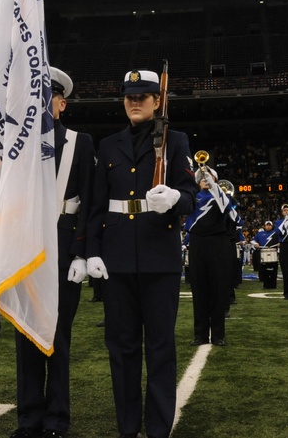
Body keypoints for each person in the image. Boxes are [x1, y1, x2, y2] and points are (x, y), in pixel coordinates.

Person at [86, 69, 196, 438]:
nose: (135, 102)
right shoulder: (108, 145)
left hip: (159, 257)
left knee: (161, 348)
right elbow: (97, 205)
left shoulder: (176, 141)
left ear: (157, 101)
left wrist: (177, 198)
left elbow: (192, 197)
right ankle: (128, 427)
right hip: (116, 258)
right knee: (122, 348)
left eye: (143, 96)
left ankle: (158, 428)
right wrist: (91, 252)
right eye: (129, 96)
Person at [10, 68, 95, 438]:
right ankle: (28, 418)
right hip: (24, 250)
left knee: (58, 338)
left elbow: (90, 203)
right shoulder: (16, 143)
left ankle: (56, 419)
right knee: (26, 336)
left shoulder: (80, 142)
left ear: (61, 103)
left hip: (62, 251)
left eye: (50, 98)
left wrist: (81, 253)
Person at [183, 163, 237, 347]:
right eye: (201, 177)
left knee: (219, 288)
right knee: (198, 289)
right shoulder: (193, 196)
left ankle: (218, 335)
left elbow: (226, 208)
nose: (204, 179)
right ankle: (200, 335)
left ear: (214, 179)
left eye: (207, 177)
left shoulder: (220, 196)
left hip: (218, 242)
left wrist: (214, 186)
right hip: (197, 242)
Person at [252, 220, 279, 290]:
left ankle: (273, 285)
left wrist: (280, 243)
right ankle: (265, 284)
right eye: (267, 225)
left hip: (273, 253)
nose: (268, 226)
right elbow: (253, 240)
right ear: (264, 226)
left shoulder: (275, 233)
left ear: (272, 226)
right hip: (263, 253)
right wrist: (255, 244)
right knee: (264, 270)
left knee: (273, 270)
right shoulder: (260, 233)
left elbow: (281, 240)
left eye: (270, 225)